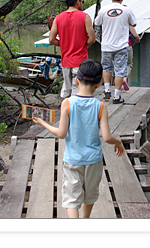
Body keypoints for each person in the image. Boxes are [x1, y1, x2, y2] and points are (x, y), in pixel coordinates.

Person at [32, 59, 125, 218]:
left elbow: (61, 134)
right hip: (93, 160)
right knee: (89, 196)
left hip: (73, 160)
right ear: (98, 84)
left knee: (71, 200)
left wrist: (42, 123)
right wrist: (119, 142)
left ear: (76, 80)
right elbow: (107, 137)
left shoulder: (67, 103)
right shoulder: (100, 106)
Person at [93, 0, 139, 103]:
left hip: (106, 45)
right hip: (121, 46)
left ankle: (107, 91)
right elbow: (133, 24)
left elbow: (96, 23)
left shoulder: (103, 10)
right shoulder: (127, 10)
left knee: (106, 68)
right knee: (120, 71)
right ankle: (117, 96)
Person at [49, 0, 96, 98]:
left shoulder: (58, 18)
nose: (82, 3)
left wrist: (65, 44)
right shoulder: (85, 17)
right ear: (77, 2)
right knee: (77, 88)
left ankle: (65, 111)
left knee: (66, 88)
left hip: (65, 61)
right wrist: (82, 44)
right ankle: (75, 112)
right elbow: (92, 39)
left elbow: (51, 39)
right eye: (82, 1)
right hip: (80, 60)